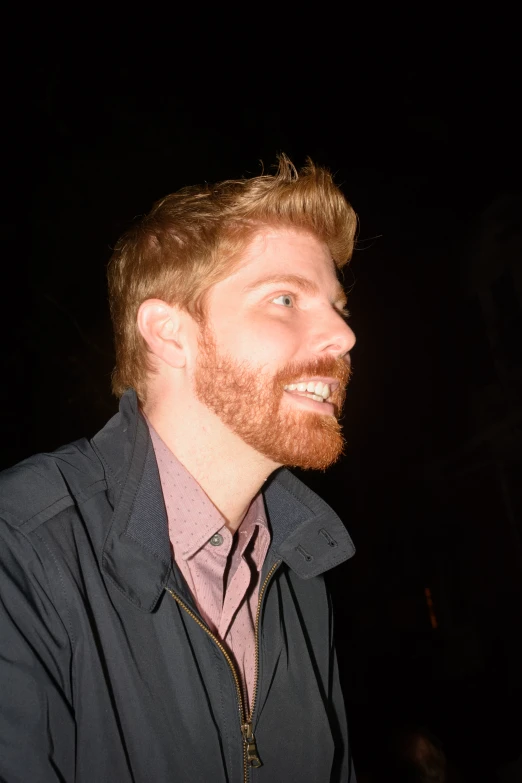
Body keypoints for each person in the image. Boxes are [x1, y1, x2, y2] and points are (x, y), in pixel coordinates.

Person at [0, 156, 358, 782]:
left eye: (338, 306)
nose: (342, 335)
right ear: (169, 334)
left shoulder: (301, 571)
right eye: (285, 299)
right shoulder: (22, 548)